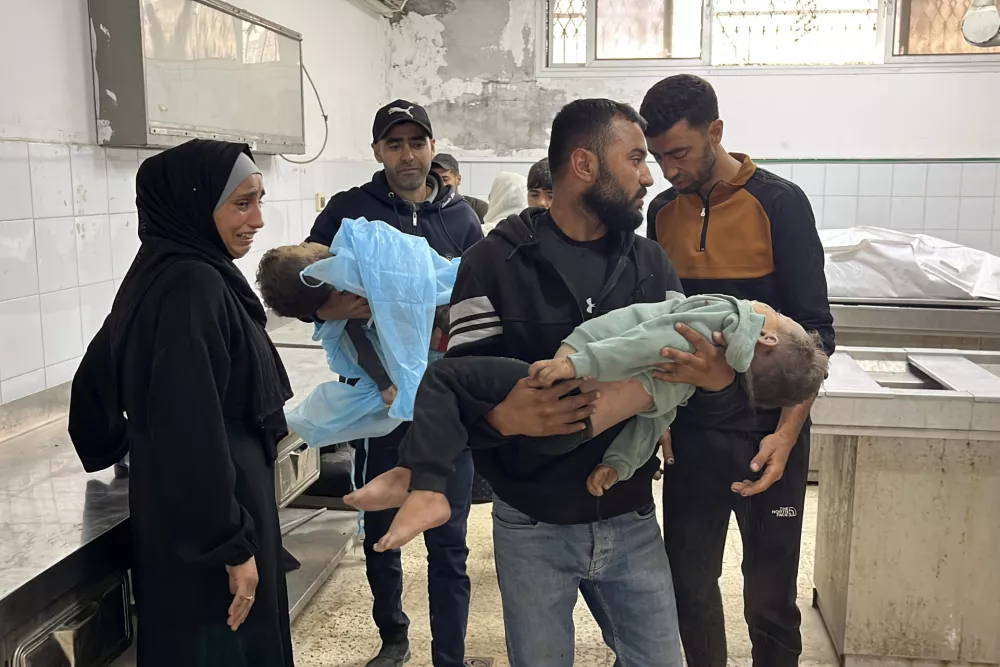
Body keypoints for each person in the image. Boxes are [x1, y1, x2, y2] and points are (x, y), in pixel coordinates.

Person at [441, 98, 740, 667]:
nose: (649, 176)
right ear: (584, 165)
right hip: (531, 524)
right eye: (634, 159)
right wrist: (503, 418)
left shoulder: (652, 265)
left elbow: (689, 392)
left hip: (631, 518)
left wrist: (717, 379)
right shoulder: (490, 265)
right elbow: (458, 394)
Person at [347, 294, 828, 552]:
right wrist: (618, 464)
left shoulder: (720, 319)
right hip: (574, 438)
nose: (777, 310)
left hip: (569, 383)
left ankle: (426, 488)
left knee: (446, 379)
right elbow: (653, 420)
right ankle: (413, 476)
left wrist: (578, 364)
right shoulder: (695, 377)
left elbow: (643, 338)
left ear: (765, 338)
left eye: (784, 319)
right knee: (455, 401)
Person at [68, 140, 295, 667]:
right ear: (195, 204)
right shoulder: (193, 285)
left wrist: (123, 441)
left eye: (259, 199)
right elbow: (191, 429)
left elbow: (94, 383)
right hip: (212, 512)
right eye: (242, 203)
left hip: (189, 505)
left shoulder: (161, 271)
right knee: (221, 644)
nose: (258, 219)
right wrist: (231, 545)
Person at [640, 74, 836, 667]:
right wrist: (661, 416)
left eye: (679, 153)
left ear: (715, 132)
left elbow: (817, 336)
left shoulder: (779, 202)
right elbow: (660, 324)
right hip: (693, 432)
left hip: (766, 433)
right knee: (691, 590)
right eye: (657, 157)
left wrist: (785, 435)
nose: (668, 170)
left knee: (770, 597)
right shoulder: (661, 213)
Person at [305, 100, 483, 667]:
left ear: (432, 146)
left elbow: (477, 304)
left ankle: (448, 655)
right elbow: (318, 296)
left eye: (417, 142)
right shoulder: (349, 212)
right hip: (380, 406)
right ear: (378, 150)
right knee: (382, 529)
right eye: (394, 144)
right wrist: (382, 376)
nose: (407, 154)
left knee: (448, 538)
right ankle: (393, 637)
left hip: (448, 406)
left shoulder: (460, 218)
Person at [432, 153, 489, 222]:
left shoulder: (478, 208)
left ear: (458, 179)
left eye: (445, 179)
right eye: (435, 179)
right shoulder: (424, 210)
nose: (440, 183)